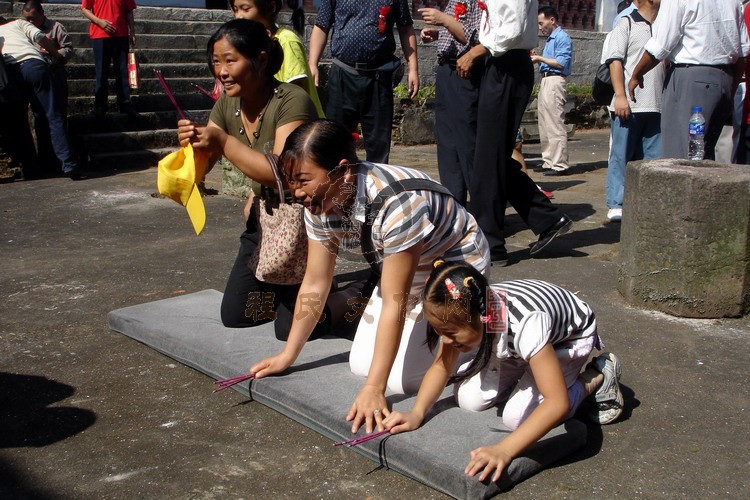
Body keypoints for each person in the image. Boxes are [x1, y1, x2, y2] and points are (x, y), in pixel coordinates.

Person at [249, 119, 490, 435]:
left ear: (342, 170)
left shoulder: (397, 203)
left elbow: (395, 301)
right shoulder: (321, 201)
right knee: (360, 364)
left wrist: (376, 389)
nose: (297, 193)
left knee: (400, 381)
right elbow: (316, 282)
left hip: (451, 272)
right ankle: (430, 336)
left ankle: (480, 330)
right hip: (403, 271)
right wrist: (288, 354)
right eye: (291, 181)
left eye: (303, 180)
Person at [177, 19, 346, 337]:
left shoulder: (291, 100)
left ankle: (343, 297)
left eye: (231, 60)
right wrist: (191, 148)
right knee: (238, 314)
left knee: (288, 329)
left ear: (262, 60)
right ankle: (288, 294)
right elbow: (202, 170)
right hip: (264, 222)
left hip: (301, 221)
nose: (222, 71)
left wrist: (223, 142)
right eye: (216, 62)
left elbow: (284, 173)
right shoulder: (227, 103)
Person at [383, 260, 624, 483]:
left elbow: (557, 403)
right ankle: (528, 371)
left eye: (450, 332)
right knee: (469, 399)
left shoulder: (526, 324)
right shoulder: (468, 306)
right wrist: (416, 413)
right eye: (438, 330)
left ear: (482, 317)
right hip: (516, 341)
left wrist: (504, 450)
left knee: (518, 418)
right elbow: (441, 366)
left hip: (568, 339)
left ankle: (596, 376)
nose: (444, 340)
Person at [457, 0, 571, 266]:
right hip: (496, 63)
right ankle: (547, 218)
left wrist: (476, 51)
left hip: (507, 62)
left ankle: (491, 245)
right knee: (489, 157)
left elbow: (513, 28)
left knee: (488, 161)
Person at [628, 0, 749, 160]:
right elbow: (743, 52)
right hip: (724, 78)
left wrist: (637, 73)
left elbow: (661, 44)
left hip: (691, 77)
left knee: (682, 155)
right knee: (704, 153)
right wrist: (731, 89)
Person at [307, 0, 419, 163]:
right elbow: (322, 26)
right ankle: (338, 186)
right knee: (334, 142)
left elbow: (406, 28)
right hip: (342, 75)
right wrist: (312, 63)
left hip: (378, 78)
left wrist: (413, 69)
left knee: (379, 147)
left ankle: (376, 187)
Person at [0, 15, 82, 179]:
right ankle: (69, 165)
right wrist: (56, 55)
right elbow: (41, 37)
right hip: (34, 65)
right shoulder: (18, 23)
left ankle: (30, 168)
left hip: (11, 72)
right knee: (53, 115)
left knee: (20, 122)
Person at [604, 0, 663, 222]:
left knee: (653, 159)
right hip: (629, 103)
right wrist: (620, 95)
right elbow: (615, 61)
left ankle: (647, 200)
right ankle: (616, 202)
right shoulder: (626, 23)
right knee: (621, 155)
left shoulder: (664, 25)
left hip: (656, 104)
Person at [418, 1, 482, 206]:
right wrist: (441, 33)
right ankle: (454, 205)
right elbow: (458, 32)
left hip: (464, 70)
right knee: (447, 144)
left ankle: (483, 209)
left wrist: (443, 20)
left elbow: (476, 38)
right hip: (446, 69)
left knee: (467, 144)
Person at [229, 0, 324, 117]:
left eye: (245, 9)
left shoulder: (286, 41)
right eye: (235, 9)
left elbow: (296, 95)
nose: (239, 16)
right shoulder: (249, 45)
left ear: (271, 7)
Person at [22, 0, 74, 175]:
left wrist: (54, 54)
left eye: (33, 18)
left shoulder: (55, 27)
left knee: (57, 116)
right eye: (27, 19)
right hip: (36, 78)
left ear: (42, 14)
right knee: (39, 118)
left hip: (54, 74)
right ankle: (45, 160)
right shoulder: (23, 29)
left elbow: (68, 48)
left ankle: (62, 161)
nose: (30, 22)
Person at [532, 6, 573, 175]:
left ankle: (560, 163)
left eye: (541, 23)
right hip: (546, 79)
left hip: (555, 80)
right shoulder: (550, 39)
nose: (540, 27)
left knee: (555, 122)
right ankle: (548, 160)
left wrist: (540, 58)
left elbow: (561, 63)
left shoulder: (562, 37)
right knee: (544, 122)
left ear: (552, 20)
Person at [81, 0, 137, 117]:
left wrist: (132, 31)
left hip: (121, 35)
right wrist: (99, 21)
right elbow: (85, 9)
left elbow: (129, 11)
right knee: (101, 73)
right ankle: (100, 105)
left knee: (122, 72)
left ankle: (125, 103)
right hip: (100, 35)